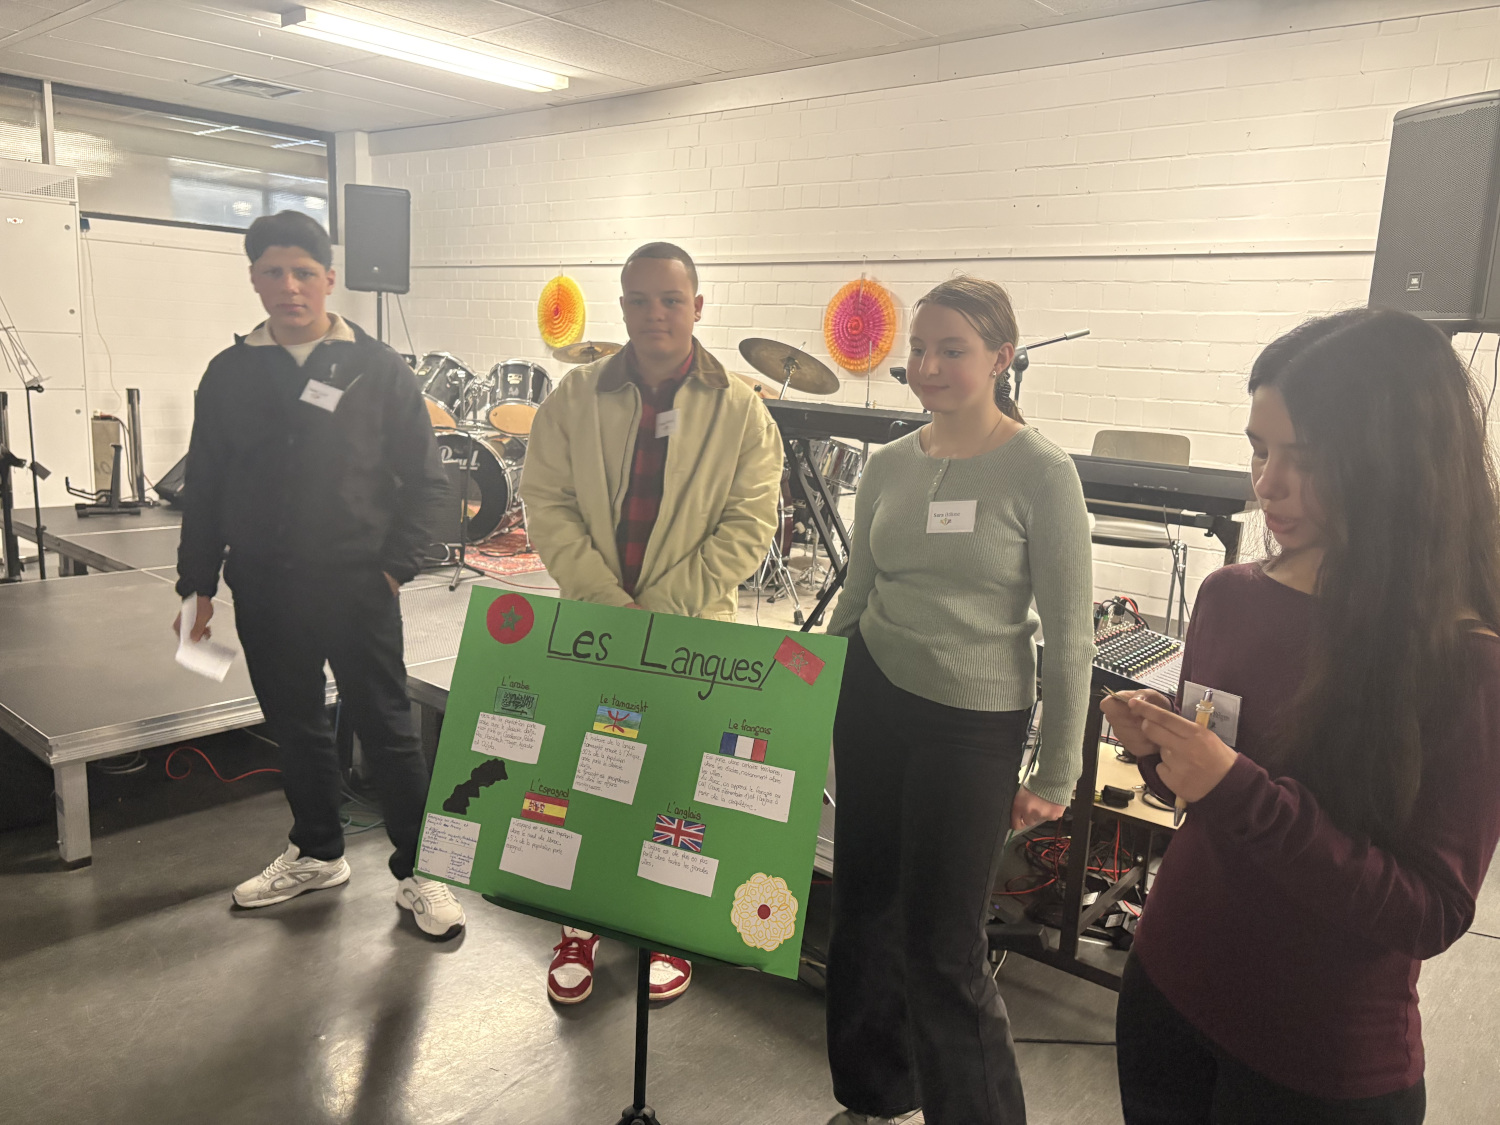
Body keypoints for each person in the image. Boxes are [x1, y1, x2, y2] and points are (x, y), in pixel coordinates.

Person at [1104, 308, 1500, 1124]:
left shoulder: (1463, 661)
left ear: (1395, 464)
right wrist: (1158, 749)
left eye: (1307, 460)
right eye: (1260, 449)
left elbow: (1429, 909)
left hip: (1317, 1063)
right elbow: (1204, 799)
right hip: (1167, 992)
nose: (1268, 483)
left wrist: (1236, 787)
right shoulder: (1229, 596)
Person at [822, 276, 1095, 1125]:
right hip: (872, 696)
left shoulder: (1041, 472)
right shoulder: (889, 464)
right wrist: (802, 694)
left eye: (952, 349)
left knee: (945, 946)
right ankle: (875, 1098)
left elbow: (1071, 636)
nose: (929, 366)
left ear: (1001, 357)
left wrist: (1056, 771)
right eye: (919, 349)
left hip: (972, 725)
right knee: (863, 909)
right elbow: (854, 596)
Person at [174, 211, 465, 939]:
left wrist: (394, 569)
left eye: (304, 272)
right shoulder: (230, 372)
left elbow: (428, 482)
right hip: (264, 586)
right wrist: (196, 586)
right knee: (296, 725)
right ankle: (317, 851)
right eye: (274, 272)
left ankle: (421, 869)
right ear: (254, 278)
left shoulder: (378, 368)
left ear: (330, 278)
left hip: (358, 585)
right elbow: (205, 486)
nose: (290, 286)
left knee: (387, 728)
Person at [520, 240, 783, 1003]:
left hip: (692, 635)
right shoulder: (574, 397)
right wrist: (611, 606)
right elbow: (546, 501)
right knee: (583, 779)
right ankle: (578, 922)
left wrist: (659, 613)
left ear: (697, 306)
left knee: (676, 785)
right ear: (623, 306)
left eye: (671, 300)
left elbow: (748, 526)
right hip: (595, 627)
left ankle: (668, 924)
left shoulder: (741, 409)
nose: (655, 314)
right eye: (639, 299)